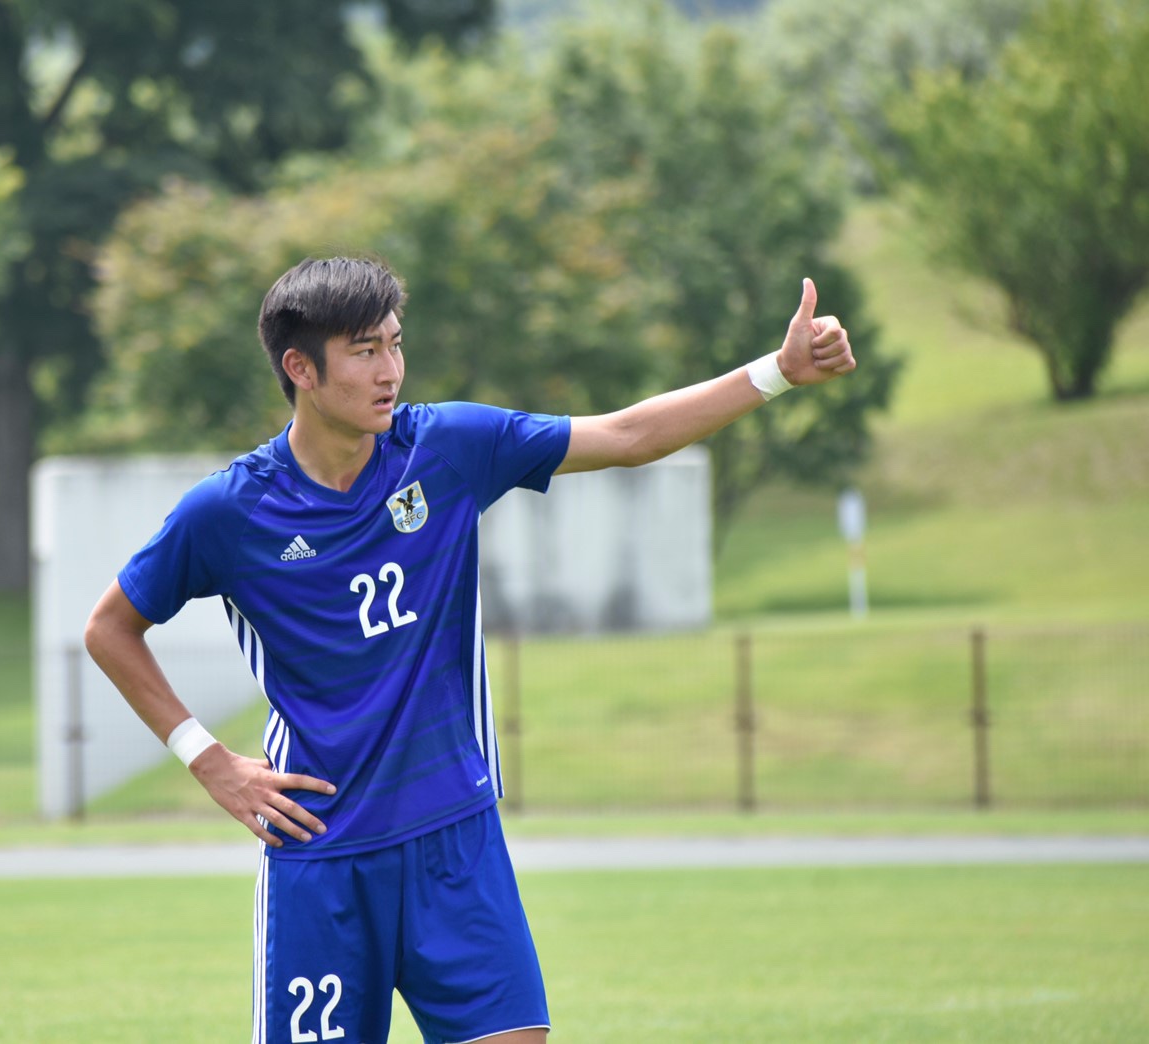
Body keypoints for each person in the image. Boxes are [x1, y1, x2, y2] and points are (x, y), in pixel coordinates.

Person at [84, 256, 855, 1043]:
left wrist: (777, 372)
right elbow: (110, 628)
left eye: (395, 344)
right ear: (300, 369)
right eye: (364, 351)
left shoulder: (446, 447)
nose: (390, 371)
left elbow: (627, 436)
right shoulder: (230, 511)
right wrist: (208, 759)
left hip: (456, 838)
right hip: (322, 854)